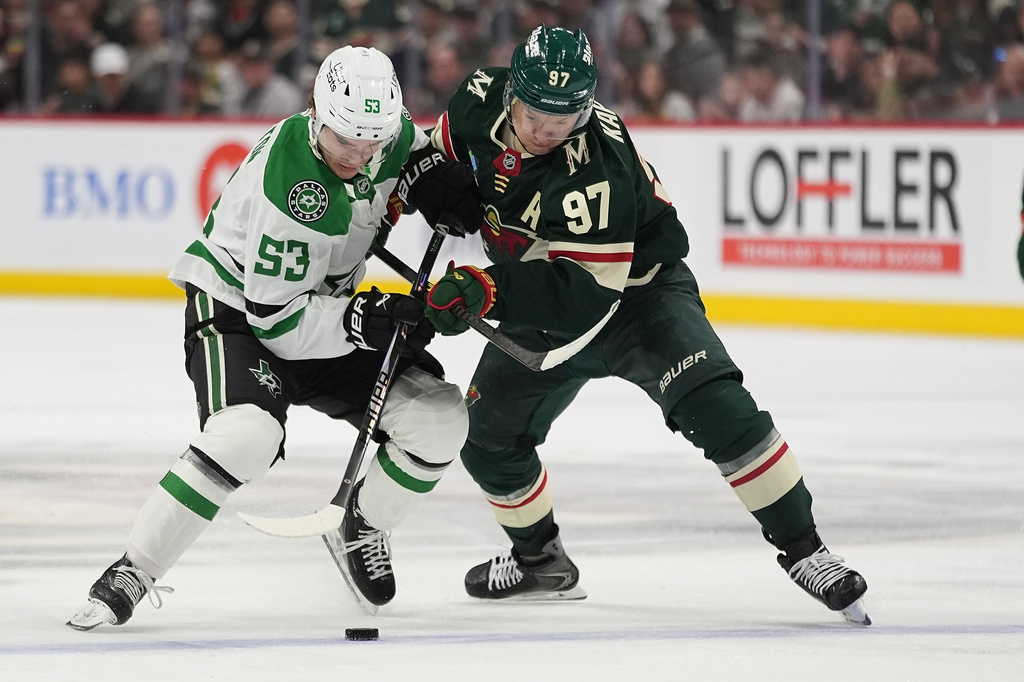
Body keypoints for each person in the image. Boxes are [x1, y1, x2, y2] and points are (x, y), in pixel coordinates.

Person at [422, 24, 871, 624]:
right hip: (540, 294)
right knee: (486, 436)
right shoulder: (478, 97)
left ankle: (806, 551)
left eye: (564, 119)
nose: (547, 131)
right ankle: (539, 561)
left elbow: (583, 295)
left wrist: (487, 288)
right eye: (535, 115)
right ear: (511, 93)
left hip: (637, 298)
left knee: (719, 407)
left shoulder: (596, 165)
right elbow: (429, 155)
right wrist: (417, 185)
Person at [67, 45, 484, 630]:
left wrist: (429, 175)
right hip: (242, 312)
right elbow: (280, 325)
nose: (357, 155)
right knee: (246, 436)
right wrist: (365, 320)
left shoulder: (380, 134)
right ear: (317, 112)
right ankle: (135, 567)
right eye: (344, 141)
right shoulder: (293, 189)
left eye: (371, 143)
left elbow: (413, 148)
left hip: (321, 308)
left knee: (439, 421)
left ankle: (363, 523)